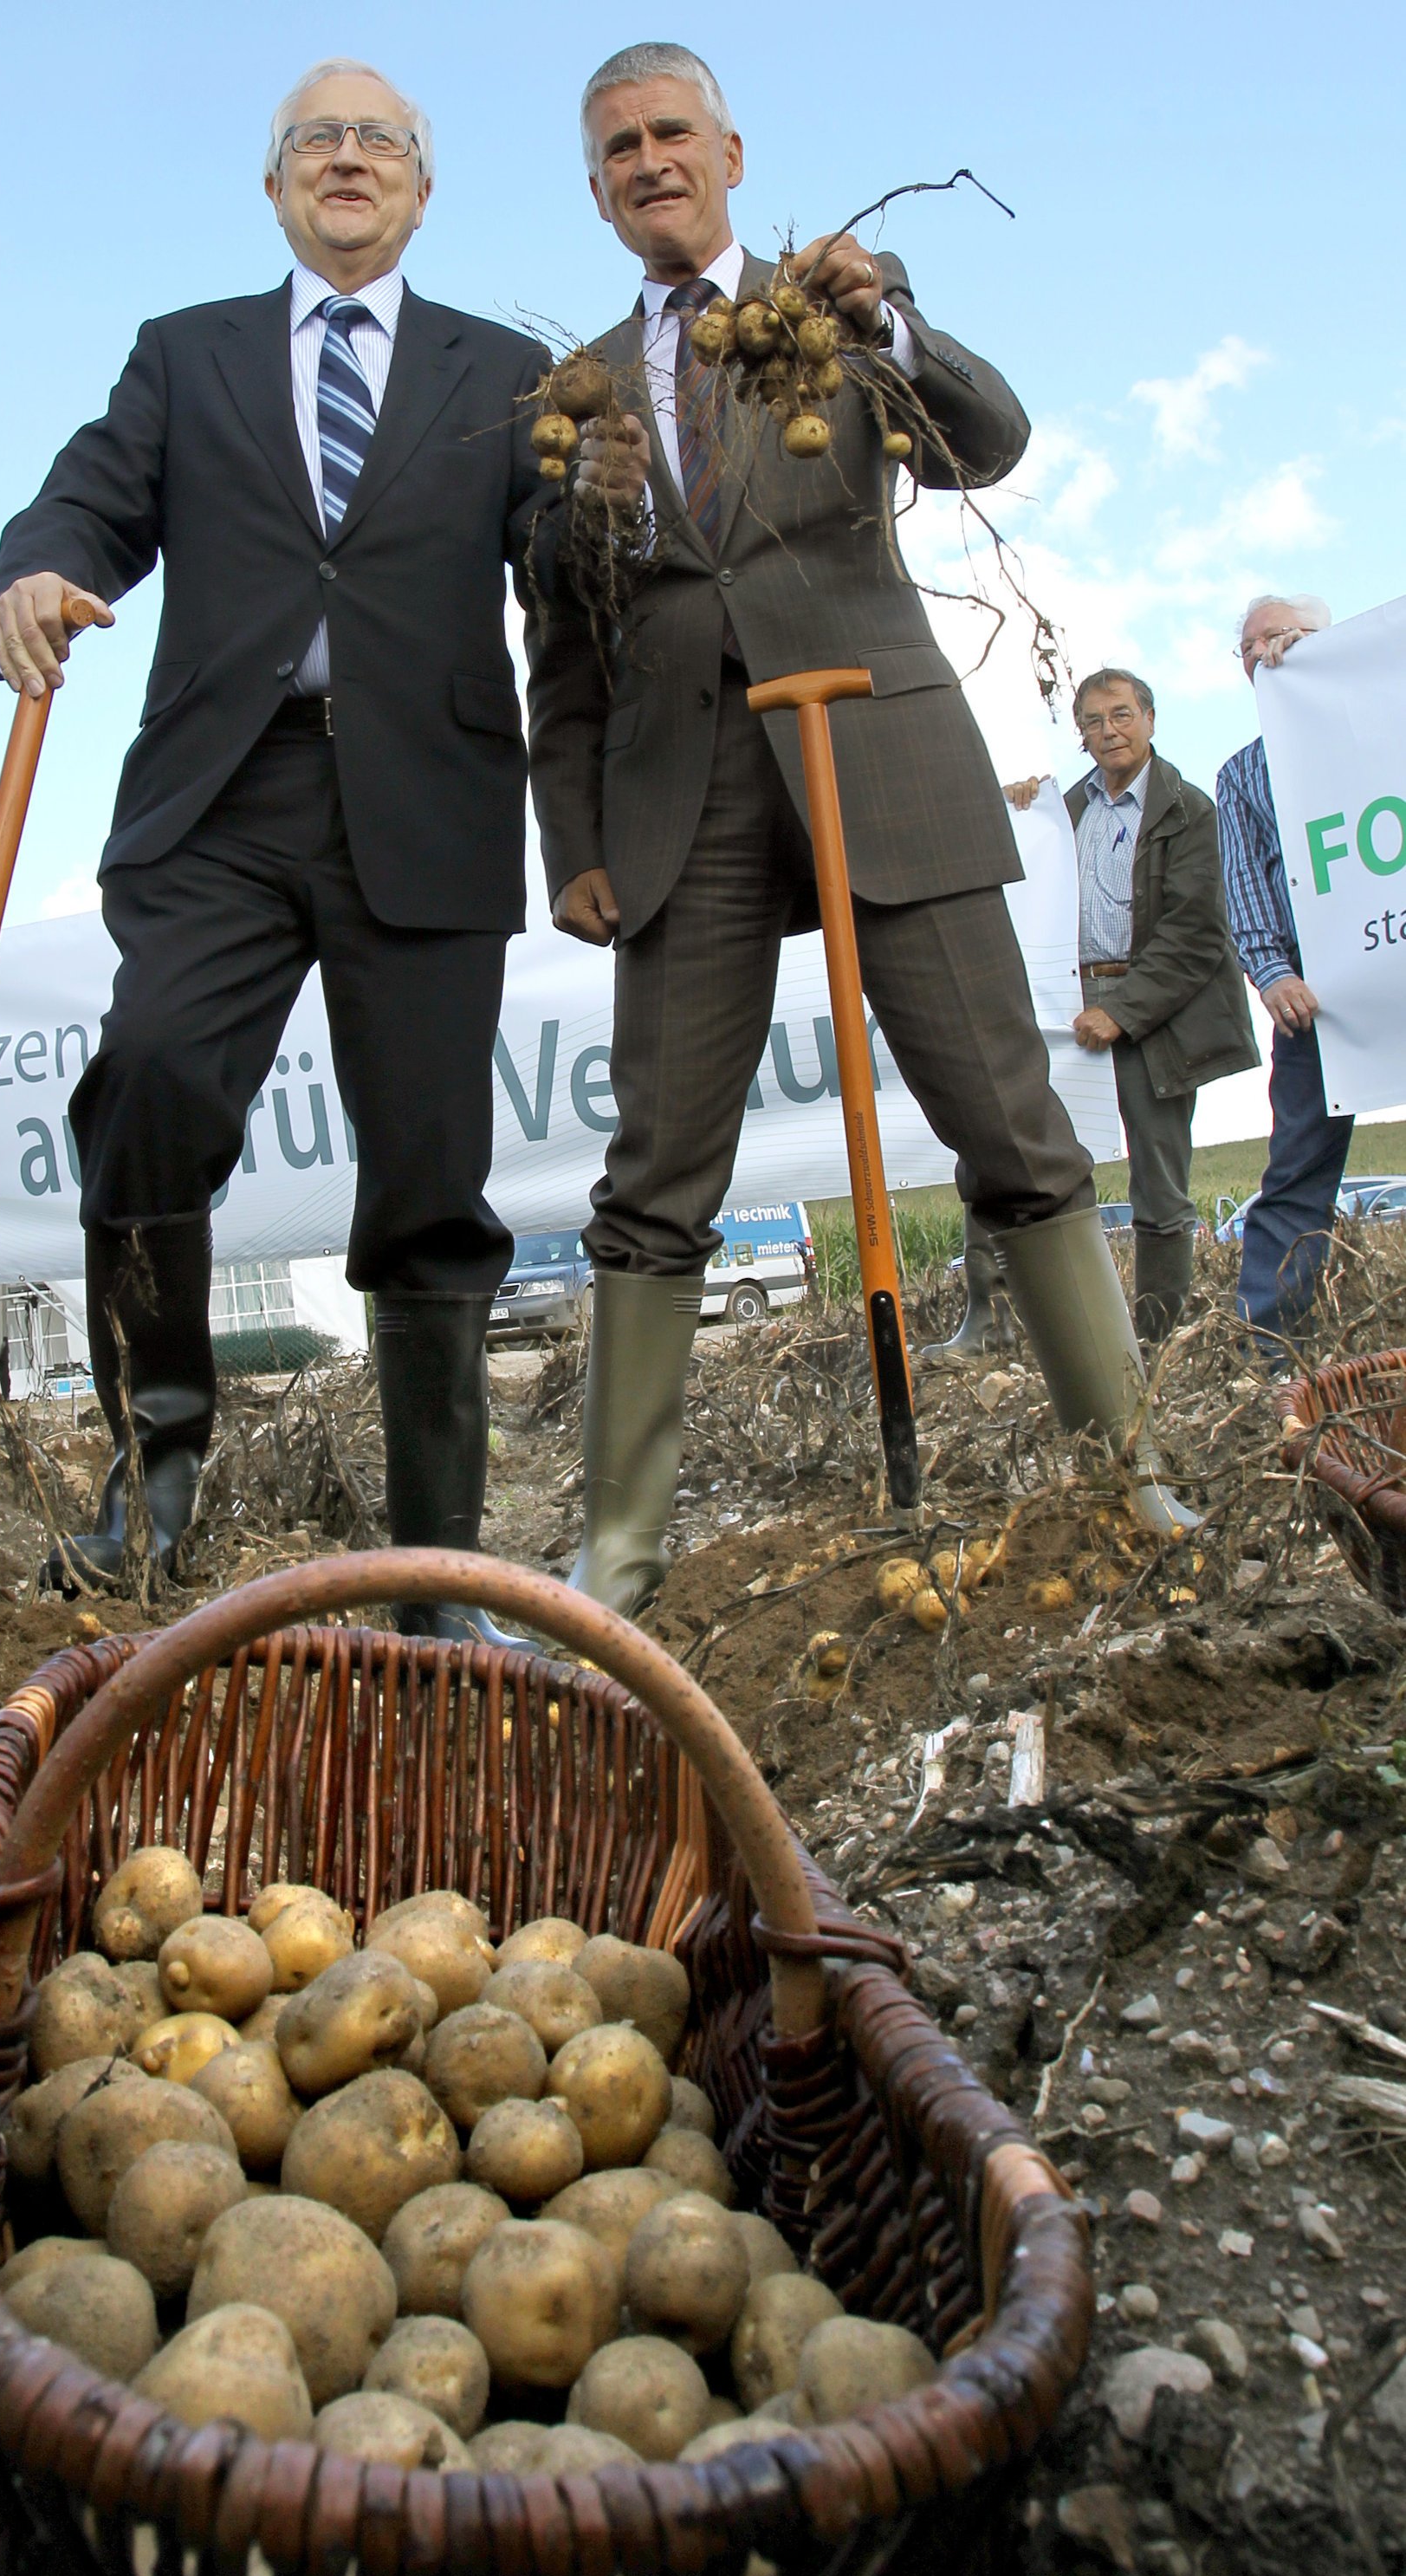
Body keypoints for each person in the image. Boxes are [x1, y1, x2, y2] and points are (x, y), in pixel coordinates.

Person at [525, 41, 1195, 1614]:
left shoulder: (824, 318)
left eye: (668, 132)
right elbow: (559, 648)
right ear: (595, 187)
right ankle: (617, 1549)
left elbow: (988, 438)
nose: (646, 161)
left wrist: (885, 314)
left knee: (1006, 1118)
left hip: (883, 763)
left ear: (729, 149)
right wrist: (573, 841)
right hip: (680, 804)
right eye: (615, 147)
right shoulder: (574, 403)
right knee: (655, 1169)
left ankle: (1125, 1468)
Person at [0, 60, 550, 1636]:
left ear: (422, 188)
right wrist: (33, 574)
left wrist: (602, 505)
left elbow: (567, 566)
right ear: (275, 185)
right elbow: (86, 504)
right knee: (152, 1075)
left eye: (379, 142)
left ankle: (437, 1571)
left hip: (425, 804)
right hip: (224, 801)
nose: (347, 159)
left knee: (432, 1169)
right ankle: (153, 1475)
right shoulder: (188, 355)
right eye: (317, 140)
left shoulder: (503, 371)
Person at [995, 672, 1256, 1345]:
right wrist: (1023, 810)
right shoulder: (1063, 809)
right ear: (1079, 736)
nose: (1109, 731)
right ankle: (1037, 1322)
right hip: (1070, 1000)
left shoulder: (1188, 810)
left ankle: (1157, 1337)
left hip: (1156, 1010)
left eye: (1121, 715)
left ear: (1149, 718)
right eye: (1092, 721)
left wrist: (1124, 1010)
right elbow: (1028, 879)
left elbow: (1196, 934)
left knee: (1159, 1178)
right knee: (1028, 1150)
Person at [1217, 594, 1345, 1352]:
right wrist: (1271, 974)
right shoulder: (1244, 775)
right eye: (1249, 646)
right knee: (1297, 1168)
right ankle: (1272, 1347)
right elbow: (1248, 886)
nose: (1265, 653)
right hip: (1316, 999)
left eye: (1283, 636)